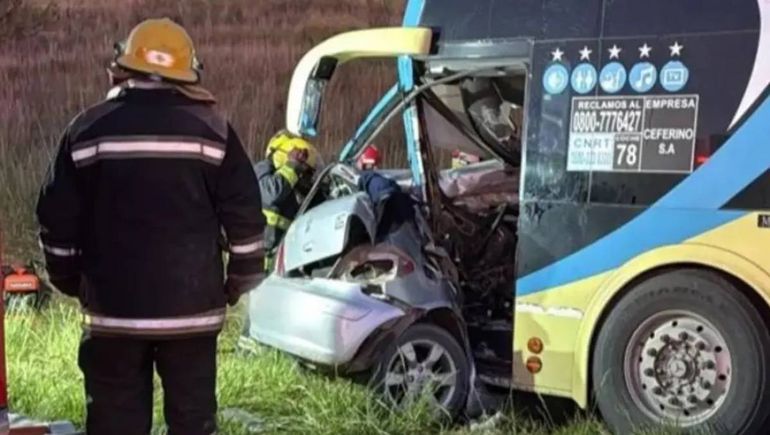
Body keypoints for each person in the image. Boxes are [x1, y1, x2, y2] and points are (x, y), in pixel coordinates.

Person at [36, 18, 265, 435]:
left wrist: (71, 281)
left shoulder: (86, 130)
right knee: (193, 423)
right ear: (188, 73)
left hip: (113, 313)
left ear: (123, 67)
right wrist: (236, 284)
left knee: (115, 424)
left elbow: (56, 219)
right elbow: (246, 218)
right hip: (192, 314)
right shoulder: (215, 132)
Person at [254, 130, 319, 271]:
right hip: (254, 264)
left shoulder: (290, 184)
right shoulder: (261, 170)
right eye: (302, 168)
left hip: (278, 264)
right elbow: (271, 193)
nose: (304, 174)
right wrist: (292, 166)